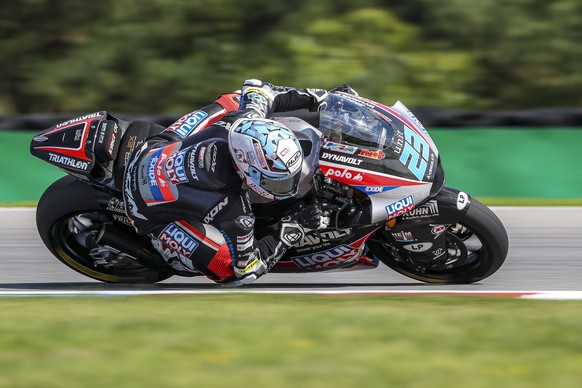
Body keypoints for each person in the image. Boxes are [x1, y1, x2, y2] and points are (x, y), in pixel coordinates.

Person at [122, 79, 333, 286]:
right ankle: (164, 245)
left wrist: (321, 98)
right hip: (142, 207)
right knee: (228, 270)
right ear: (246, 168)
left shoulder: (244, 119)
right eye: (277, 183)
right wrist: (294, 227)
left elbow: (256, 87)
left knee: (233, 99)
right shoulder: (233, 210)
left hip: (153, 148)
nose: (289, 186)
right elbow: (249, 269)